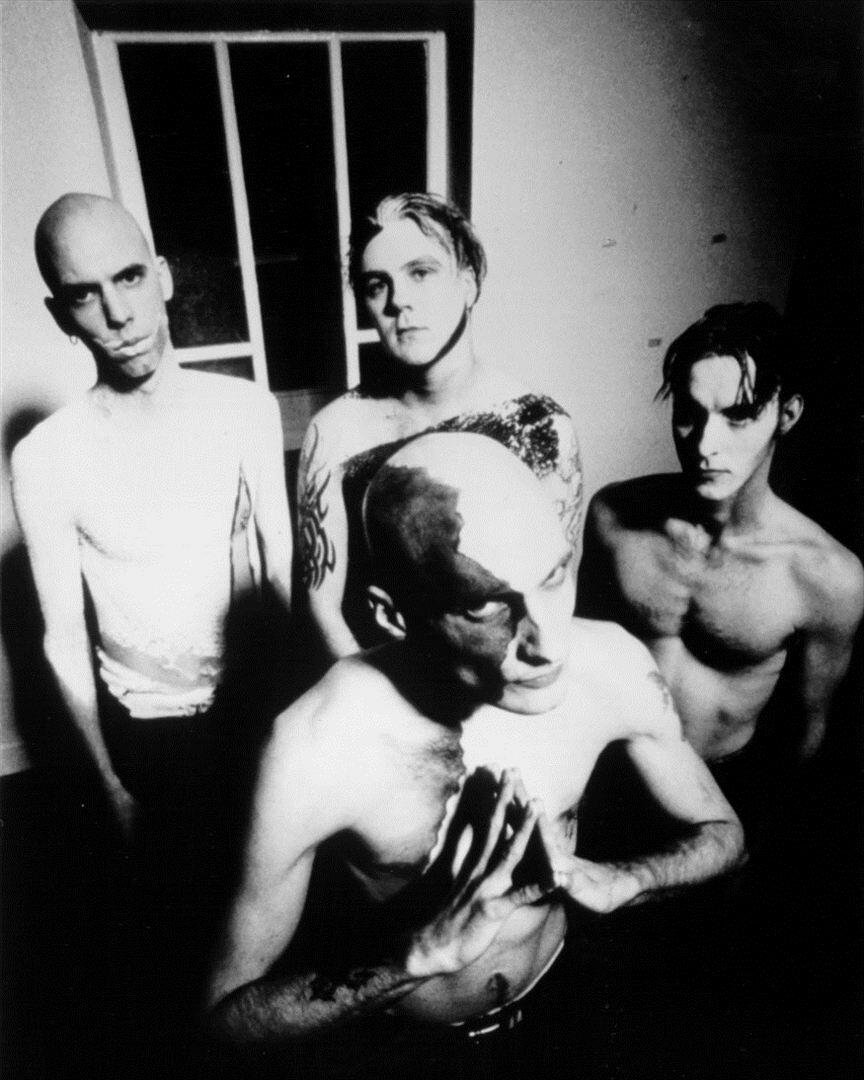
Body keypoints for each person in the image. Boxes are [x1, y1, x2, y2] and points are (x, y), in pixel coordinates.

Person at [205, 433, 743, 1079]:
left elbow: (726, 835)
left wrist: (627, 881)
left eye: (554, 575)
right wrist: (413, 958)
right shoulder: (315, 749)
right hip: (410, 1045)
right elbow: (223, 1022)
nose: (548, 643)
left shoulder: (610, 665)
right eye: (487, 604)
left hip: (561, 998)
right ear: (394, 616)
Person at [11, 193, 294, 839]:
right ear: (61, 314)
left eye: (130, 277)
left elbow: (279, 573)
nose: (118, 314)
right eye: (85, 294)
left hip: (252, 710)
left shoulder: (245, 409)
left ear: (162, 277)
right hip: (143, 734)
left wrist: (285, 715)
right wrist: (109, 784)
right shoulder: (46, 456)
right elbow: (62, 636)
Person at [577, 302, 863, 832]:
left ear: (788, 415)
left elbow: (804, 739)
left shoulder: (825, 576)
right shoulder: (614, 517)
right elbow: (581, 655)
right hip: (610, 772)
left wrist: (751, 840)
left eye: (739, 416)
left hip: (718, 797)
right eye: (690, 413)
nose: (706, 445)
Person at [296, 192, 582, 664]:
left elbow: (551, 589)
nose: (398, 301)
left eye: (420, 273)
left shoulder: (540, 426)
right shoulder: (335, 433)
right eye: (377, 285)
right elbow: (322, 608)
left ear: (468, 284)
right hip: (377, 682)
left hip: (498, 678)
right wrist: (376, 700)